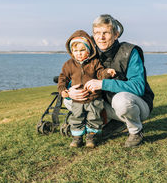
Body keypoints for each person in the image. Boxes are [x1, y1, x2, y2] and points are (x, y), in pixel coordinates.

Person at [64, 14, 154, 147]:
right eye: (97, 33)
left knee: (121, 100)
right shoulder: (90, 54)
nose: (101, 37)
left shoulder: (130, 52)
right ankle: (107, 124)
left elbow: (138, 87)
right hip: (105, 104)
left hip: (137, 105)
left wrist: (102, 83)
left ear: (116, 34)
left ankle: (136, 131)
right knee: (69, 99)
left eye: (105, 32)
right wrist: (70, 90)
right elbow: (77, 76)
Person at [58, 29, 116, 148]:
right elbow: (63, 78)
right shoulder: (69, 65)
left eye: (82, 50)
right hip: (77, 100)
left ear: (89, 50)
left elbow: (100, 73)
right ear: (71, 52)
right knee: (76, 118)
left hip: (94, 98)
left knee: (94, 118)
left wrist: (107, 72)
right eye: (75, 51)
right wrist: (63, 90)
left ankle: (91, 137)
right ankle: (77, 138)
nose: (78, 53)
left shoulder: (94, 62)